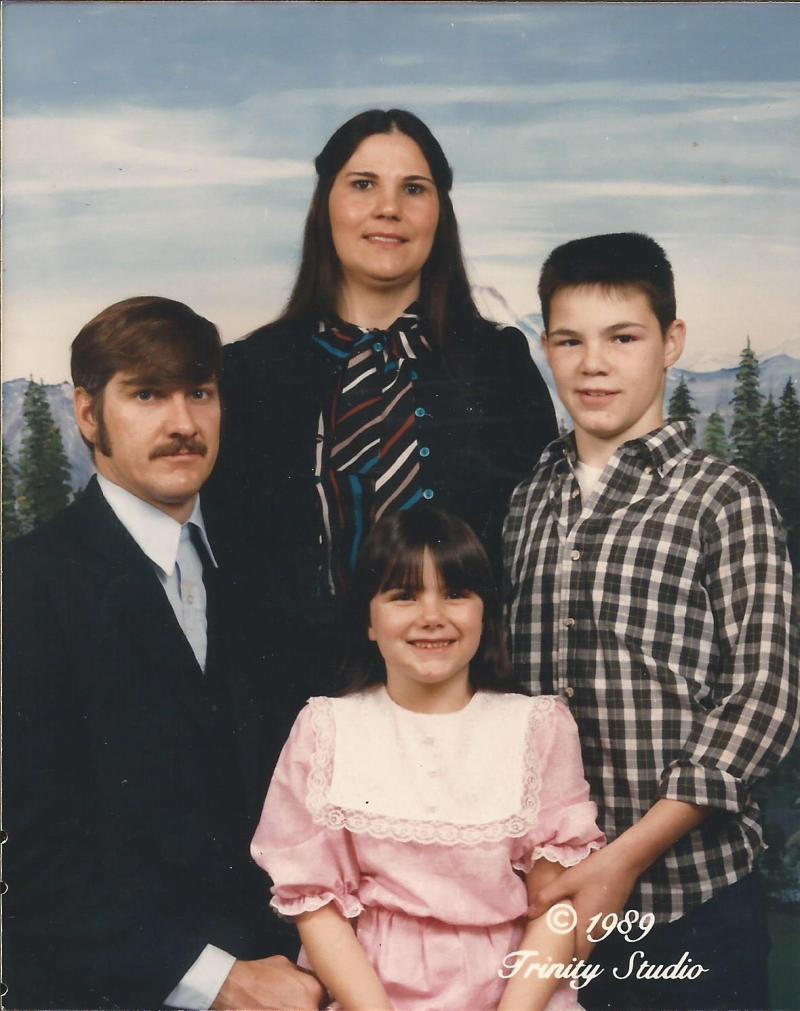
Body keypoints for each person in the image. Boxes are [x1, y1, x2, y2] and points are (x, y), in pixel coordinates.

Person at [503, 233, 799, 1011]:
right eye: (570, 340)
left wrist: (622, 859)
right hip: (547, 906)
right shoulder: (528, 501)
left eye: (623, 338)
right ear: (546, 348)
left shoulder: (722, 500)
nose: (593, 363)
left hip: (691, 904)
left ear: (671, 343)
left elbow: (762, 698)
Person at [3, 297, 322, 1011]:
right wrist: (222, 981)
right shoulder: (24, 589)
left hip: (294, 981)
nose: (183, 423)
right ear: (88, 414)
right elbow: (30, 863)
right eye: (147, 394)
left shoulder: (264, 578)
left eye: (199, 393)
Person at [206, 108, 557, 685]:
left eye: (413, 189)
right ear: (325, 205)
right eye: (363, 184)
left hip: (469, 702)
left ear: (440, 213)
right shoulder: (251, 374)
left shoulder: (498, 365)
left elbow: (532, 553)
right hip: (295, 706)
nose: (388, 208)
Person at [251, 506, 604, 1011]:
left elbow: (554, 904)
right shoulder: (327, 727)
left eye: (456, 593)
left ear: (485, 611)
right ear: (369, 622)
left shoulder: (537, 726)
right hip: (370, 993)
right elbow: (316, 905)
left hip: (515, 993)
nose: (432, 615)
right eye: (404, 596)